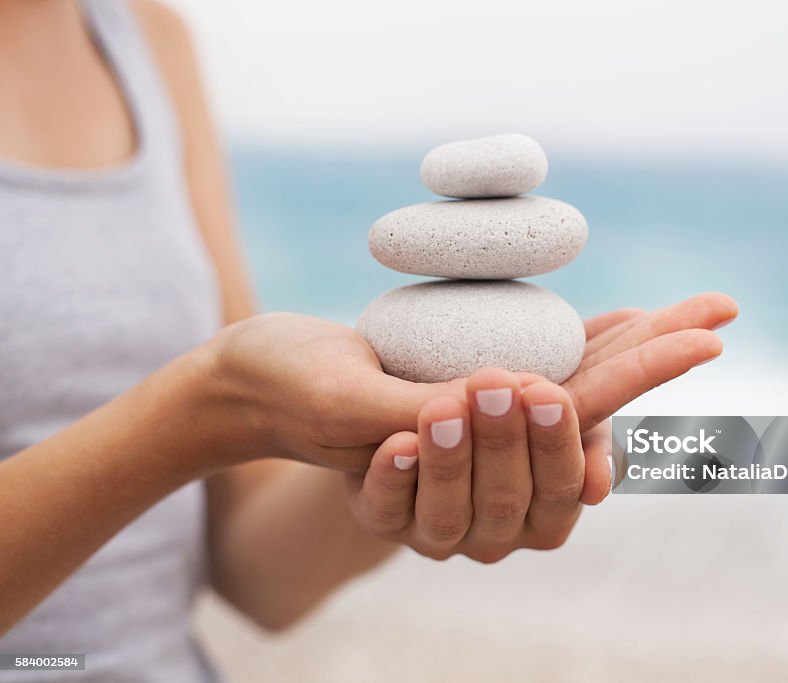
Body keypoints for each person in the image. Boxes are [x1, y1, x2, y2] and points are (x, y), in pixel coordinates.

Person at [0, 0, 737, 680]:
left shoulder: (145, 40)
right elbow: (207, 410)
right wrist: (206, 410)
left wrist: (407, 455)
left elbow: (258, 577)